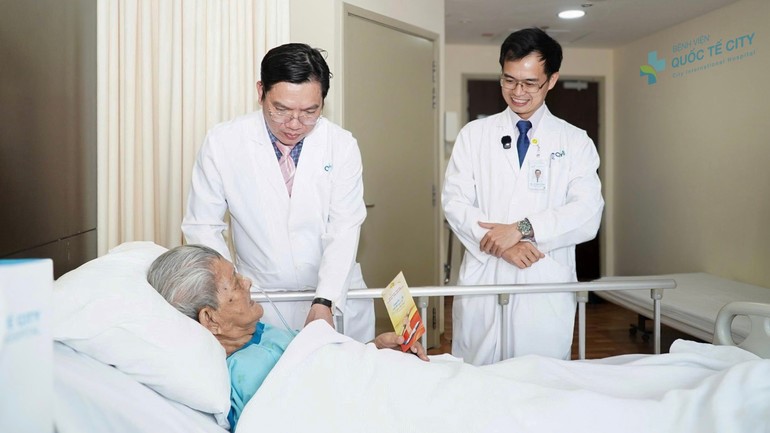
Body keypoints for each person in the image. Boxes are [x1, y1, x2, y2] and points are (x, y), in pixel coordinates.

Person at [182, 43, 374, 342]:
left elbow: (344, 227)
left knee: (346, 370)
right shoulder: (224, 143)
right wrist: (229, 294)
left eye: (310, 111)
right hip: (261, 297)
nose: (294, 124)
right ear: (261, 92)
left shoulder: (341, 145)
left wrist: (325, 299)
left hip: (334, 295)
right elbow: (202, 227)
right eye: (281, 110)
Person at [442, 28, 604, 365]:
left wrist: (522, 228)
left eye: (530, 83)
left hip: (542, 277)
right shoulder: (474, 135)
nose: (517, 92)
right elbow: (455, 203)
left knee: (539, 377)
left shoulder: (575, 142)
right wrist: (502, 245)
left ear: (551, 80)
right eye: (509, 80)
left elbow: (588, 212)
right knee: (477, 376)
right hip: (486, 274)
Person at [146, 244, 428, 430]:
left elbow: (329, 366)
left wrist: (375, 349)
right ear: (210, 319)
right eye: (234, 282)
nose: (247, 282)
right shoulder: (241, 375)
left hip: (385, 387)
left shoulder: (262, 333)